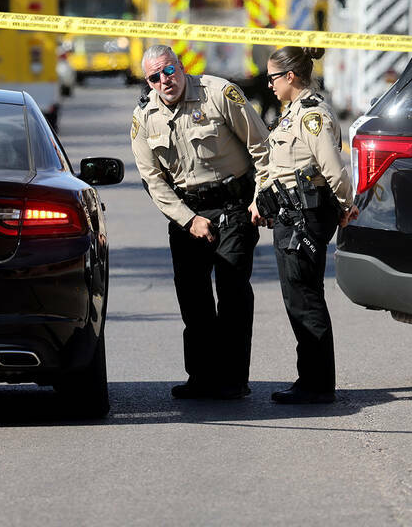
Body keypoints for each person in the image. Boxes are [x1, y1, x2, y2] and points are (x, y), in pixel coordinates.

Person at [130, 44, 270, 399]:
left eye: (169, 71)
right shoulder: (144, 117)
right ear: (147, 82)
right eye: (154, 77)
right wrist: (188, 219)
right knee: (193, 300)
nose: (164, 81)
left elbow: (262, 147)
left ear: (180, 65)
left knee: (233, 294)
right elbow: (153, 180)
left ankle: (233, 379)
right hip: (187, 216)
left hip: (232, 207)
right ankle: (202, 377)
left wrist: (258, 199)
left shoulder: (219, 94)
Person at [254, 46, 358, 404]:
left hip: (303, 217)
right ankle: (312, 379)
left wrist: (347, 206)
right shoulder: (292, 113)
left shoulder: (312, 116)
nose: (268, 85)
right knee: (299, 296)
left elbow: (333, 167)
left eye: (272, 78)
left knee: (304, 299)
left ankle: (316, 384)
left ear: (290, 77)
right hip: (290, 215)